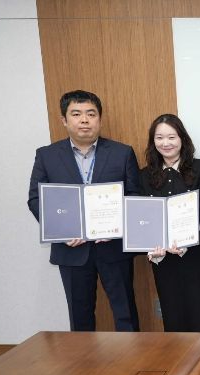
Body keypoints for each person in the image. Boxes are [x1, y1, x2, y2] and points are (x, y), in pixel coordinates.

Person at [27, 90, 140, 331]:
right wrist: (61, 232)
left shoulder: (122, 153)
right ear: (64, 120)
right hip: (71, 250)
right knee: (80, 318)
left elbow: (134, 197)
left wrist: (117, 226)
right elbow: (36, 199)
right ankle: (84, 358)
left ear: (100, 119)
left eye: (91, 113)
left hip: (113, 247)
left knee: (126, 314)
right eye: (76, 114)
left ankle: (133, 355)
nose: (84, 120)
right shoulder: (47, 156)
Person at [139, 114, 200, 332]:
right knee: (173, 318)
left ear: (182, 138)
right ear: (153, 141)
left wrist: (184, 241)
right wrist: (151, 247)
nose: (166, 143)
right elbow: (143, 217)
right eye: (159, 138)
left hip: (198, 256)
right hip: (164, 259)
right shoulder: (145, 175)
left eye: (172, 137)